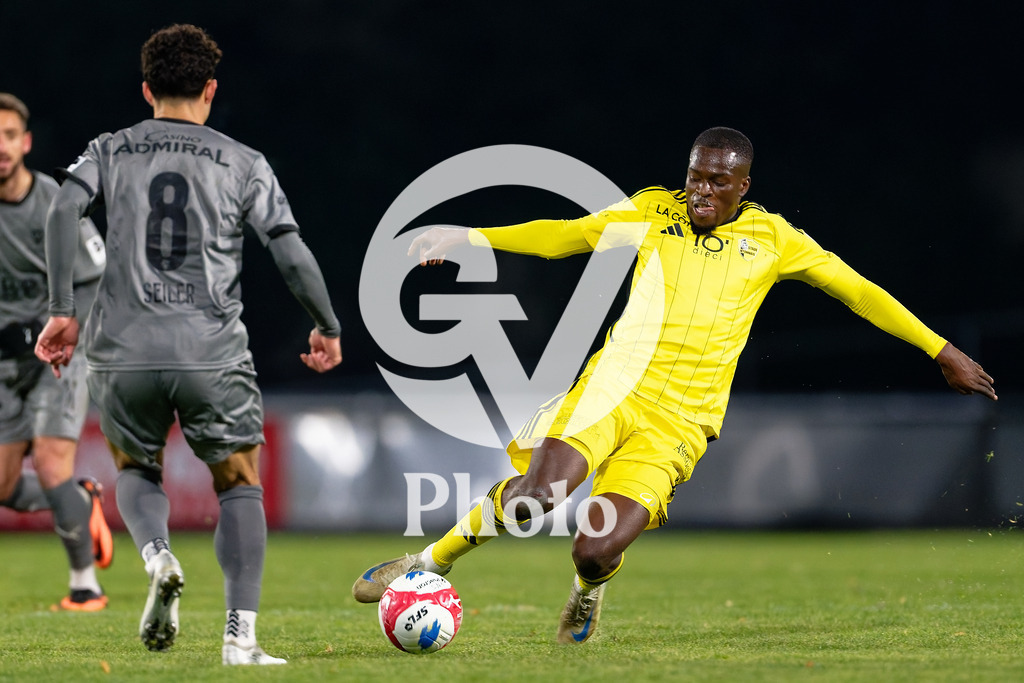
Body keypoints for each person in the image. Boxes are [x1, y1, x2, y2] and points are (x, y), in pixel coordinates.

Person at [351, 126, 997, 644]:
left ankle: (589, 588)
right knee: (535, 497)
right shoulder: (650, 211)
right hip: (611, 389)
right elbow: (567, 237)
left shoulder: (773, 240)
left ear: (744, 186)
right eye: (695, 176)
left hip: (678, 425)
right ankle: (429, 561)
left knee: (594, 547)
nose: (702, 191)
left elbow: (857, 290)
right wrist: (469, 236)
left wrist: (940, 349)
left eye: (719, 181)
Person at [34, 25, 342, 665]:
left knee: (135, 470)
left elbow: (63, 210)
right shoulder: (244, 161)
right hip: (211, 350)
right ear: (210, 88)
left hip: (123, 350)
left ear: (147, 89)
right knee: (238, 484)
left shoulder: (110, 149)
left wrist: (63, 312)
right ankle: (240, 641)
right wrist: (326, 324)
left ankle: (159, 556)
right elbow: (288, 250)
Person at [0, 93, 113, 611]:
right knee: (5, 487)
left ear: (25, 143)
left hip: (58, 357)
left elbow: (95, 274)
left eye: (8, 136)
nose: (0, 147)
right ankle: (82, 500)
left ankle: (85, 584)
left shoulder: (54, 202)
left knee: (49, 464)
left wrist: (68, 331)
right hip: (3, 366)